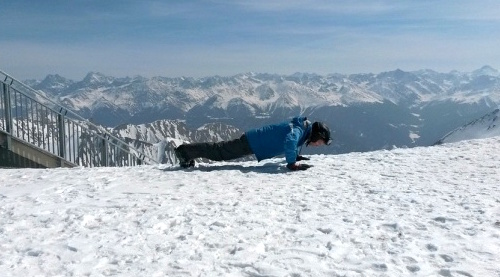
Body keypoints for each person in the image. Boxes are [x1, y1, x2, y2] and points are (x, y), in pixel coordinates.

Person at [174, 116, 332, 171]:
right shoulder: (298, 130)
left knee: (221, 151)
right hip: (252, 142)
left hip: (254, 141)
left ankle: (186, 152)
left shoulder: (302, 130)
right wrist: (291, 164)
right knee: (220, 152)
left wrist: (295, 157)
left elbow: (293, 142)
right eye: (320, 141)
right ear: (316, 135)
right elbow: (290, 141)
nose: (318, 145)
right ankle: (184, 152)